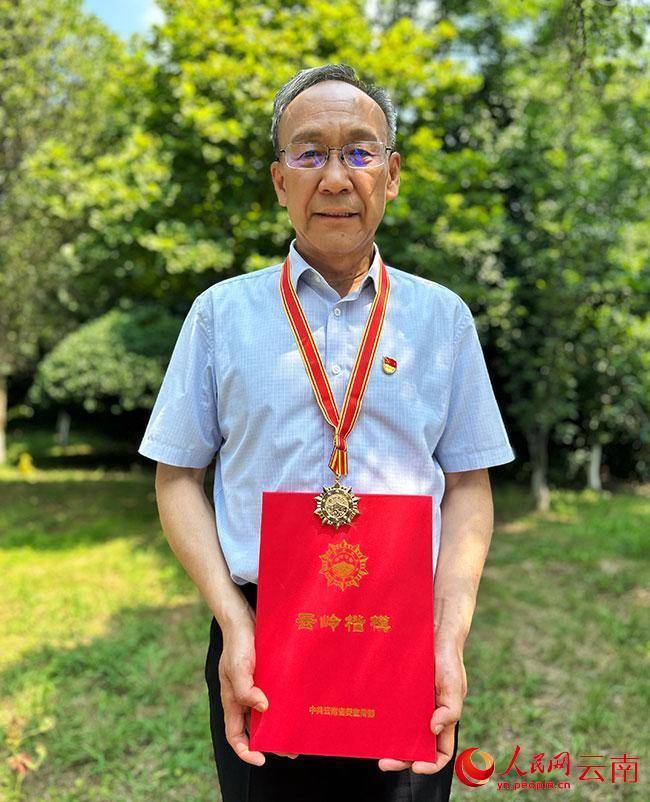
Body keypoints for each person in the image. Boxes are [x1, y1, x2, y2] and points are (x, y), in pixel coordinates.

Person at [138, 63, 515, 802]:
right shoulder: (220, 315)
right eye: (310, 153)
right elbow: (176, 476)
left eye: (359, 151)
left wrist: (449, 634)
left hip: (402, 636)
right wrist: (233, 620)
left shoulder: (442, 319)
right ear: (280, 181)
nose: (336, 177)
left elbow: (469, 485)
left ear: (392, 175)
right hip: (261, 636)